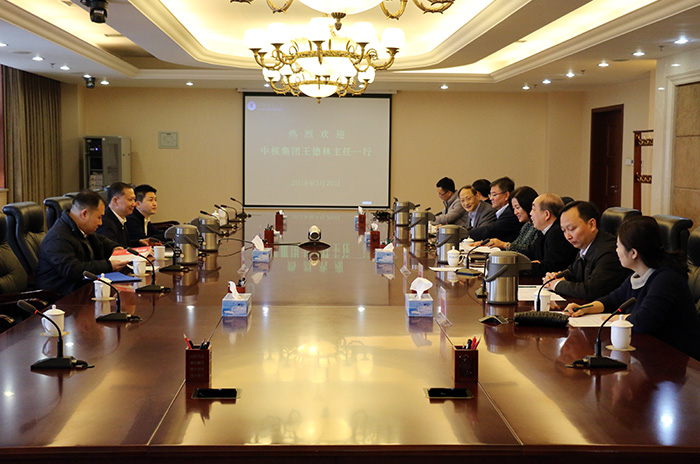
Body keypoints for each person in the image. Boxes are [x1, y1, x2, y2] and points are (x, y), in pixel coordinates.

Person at [564, 216, 700, 361]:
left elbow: (644, 321)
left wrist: (619, 318)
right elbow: (612, 300)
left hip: (678, 358)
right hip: (649, 353)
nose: (616, 251)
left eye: (618, 246)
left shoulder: (666, 279)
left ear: (634, 253)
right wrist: (585, 308)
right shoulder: (637, 276)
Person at [36, 190, 127, 296]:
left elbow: (100, 240)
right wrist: (109, 265)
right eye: (99, 217)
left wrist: (114, 248)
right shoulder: (58, 237)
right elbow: (73, 270)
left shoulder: (80, 229)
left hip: (82, 290)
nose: (100, 223)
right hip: (62, 297)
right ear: (84, 214)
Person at [544, 201, 630, 300]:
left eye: (571, 229)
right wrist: (556, 277)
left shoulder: (609, 252)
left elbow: (592, 291)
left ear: (592, 224)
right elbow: (572, 273)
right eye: (564, 230)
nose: (568, 236)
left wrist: (557, 285)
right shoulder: (585, 247)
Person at [525, 193, 578, 277]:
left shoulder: (558, 233)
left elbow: (548, 268)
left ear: (547, 214)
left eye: (534, 209)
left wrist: (521, 267)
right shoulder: (543, 232)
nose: (530, 213)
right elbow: (530, 252)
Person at [485, 186, 538, 253]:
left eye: (517, 208)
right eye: (514, 209)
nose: (515, 212)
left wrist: (504, 245)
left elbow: (532, 251)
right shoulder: (526, 225)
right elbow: (516, 245)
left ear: (527, 205)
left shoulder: (538, 226)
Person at [469, 177, 522, 243]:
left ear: (506, 195)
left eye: (494, 195)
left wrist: (466, 234)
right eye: (490, 195)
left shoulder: (510, 213)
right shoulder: (503, 211)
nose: (491, 198)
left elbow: (490, 230)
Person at [96, 182, 147, 248]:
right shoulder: (105, 222)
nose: (134, 204)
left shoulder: (121, 218)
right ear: (115, 201)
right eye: (130, 200)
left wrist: (138, 242)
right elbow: (114, 249)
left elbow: (123, 244)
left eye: (134, 200)